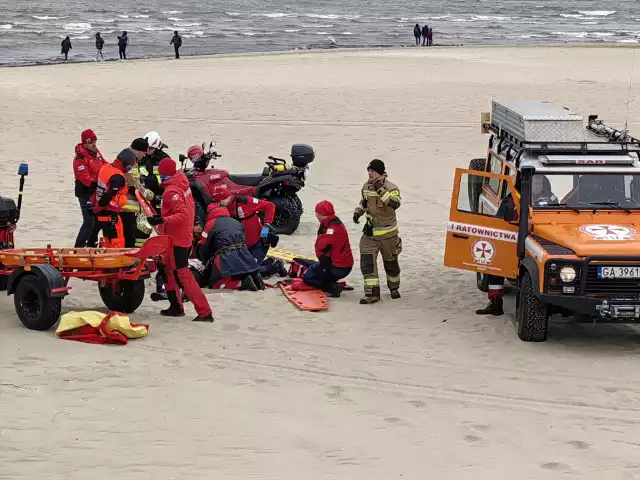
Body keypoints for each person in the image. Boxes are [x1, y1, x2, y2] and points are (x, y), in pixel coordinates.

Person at [146, 158, 214, 322]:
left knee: (182, 273)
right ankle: (176, 306)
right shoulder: (182, 183)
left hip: (176, 238)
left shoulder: (172, 191)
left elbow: (182, 214)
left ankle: (204, 312)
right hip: (181, 236)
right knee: (167, 269)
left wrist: (162, 220)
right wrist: (163, 217)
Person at [353, 159, 402, 304]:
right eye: (368, 170)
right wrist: (358, 212)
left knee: (391, 264)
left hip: (388, 235)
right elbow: (364, 203)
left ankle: (394, 288)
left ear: (380, 172)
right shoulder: (366, 186)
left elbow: (395, 203)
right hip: (370, 234)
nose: (370, 173)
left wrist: (380, 189)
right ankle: (372, 294)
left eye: (373, 171)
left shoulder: (391, 187)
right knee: (367, 263)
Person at [212, 186, 286, 278]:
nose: (218, 204)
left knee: (251, 273)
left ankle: (277, 266)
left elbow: (270, 206)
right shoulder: (223, 208)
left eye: (219, 202)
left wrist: (267, 226)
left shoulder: (245, 201)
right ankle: (268, 262)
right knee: (241, 269)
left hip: (258, 243)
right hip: (244, 247)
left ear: (224, 198)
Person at [476, 176, 521, 316]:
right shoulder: (511, 198)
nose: (537, 184)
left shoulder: (548, 198)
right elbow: (499, 219)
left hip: (532, 240)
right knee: (494, 269)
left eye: (539, 181)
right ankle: (495, 302)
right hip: (509, 240)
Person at [290, 200, 354, 297]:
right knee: (306, 263)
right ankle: (328, 280)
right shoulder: (330, 222)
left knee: (308, 277)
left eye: (317, 213)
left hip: (338, 267)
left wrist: (323, 259)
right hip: (337, 263)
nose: (316, 215)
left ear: (323, 214)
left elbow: (321, 246)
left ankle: (331, 287)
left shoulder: (332, 230)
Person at [197, 203, 264, 291]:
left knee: (216, 284)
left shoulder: (211, 223)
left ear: (209, 213)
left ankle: (242, 283)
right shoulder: (236, 222)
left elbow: (203, 244)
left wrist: (204, 261)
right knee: (241, 273)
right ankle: (255, 277)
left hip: (225, 256)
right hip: (245, 254)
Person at [92, 151, 135, 248]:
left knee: (108, 243)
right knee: (117, 244)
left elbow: (97, 188)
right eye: (130, 167)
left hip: (103, 215)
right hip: (111, 216)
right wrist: (98, 207)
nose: (129, 170)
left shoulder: (105, 168)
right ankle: (118, 263)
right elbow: (108, 196)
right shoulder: (118, 177)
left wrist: (97, 208)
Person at [73, 129, 107, 248]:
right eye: (91, 143)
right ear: (85, 143)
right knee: (88, 222)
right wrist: (99, 182)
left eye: (95, 142)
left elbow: (104, 164)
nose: (94, 145)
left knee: (98, 221)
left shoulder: (96, 153)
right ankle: (78, 248)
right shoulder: (80, 160)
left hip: (96, 191)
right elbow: (85, 179)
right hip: (85, 193)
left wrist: (113, 172)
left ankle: (91, 244)